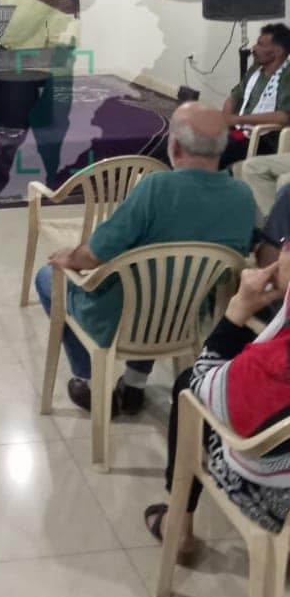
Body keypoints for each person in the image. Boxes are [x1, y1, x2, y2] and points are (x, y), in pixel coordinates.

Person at [34, 103, 256, 416]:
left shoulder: (155, 187)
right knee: (162, 284)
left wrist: (68, 257)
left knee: (47, 278)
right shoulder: (242, 195)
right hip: (187, 317)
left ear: (174, 146)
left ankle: (90, 382)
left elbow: (94, 254)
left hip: (122, 317)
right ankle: (135, 384)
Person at [144, 259, 290, 557]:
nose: (279, 253)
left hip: (277, 497)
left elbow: (201, 386)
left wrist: (238, 309)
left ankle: (177, 526)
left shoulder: (278, 359)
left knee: (187, 387)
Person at [220, 23, 290, 168]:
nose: (253, 48)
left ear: (278, 51)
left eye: (260, 44)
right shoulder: (256, 68)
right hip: (240, 131)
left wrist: (238, 119)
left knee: (215, 152)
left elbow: (282, 117)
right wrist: (227, 120)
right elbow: (233, 97)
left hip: (264, 139)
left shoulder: (286, 76)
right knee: (194, 139)